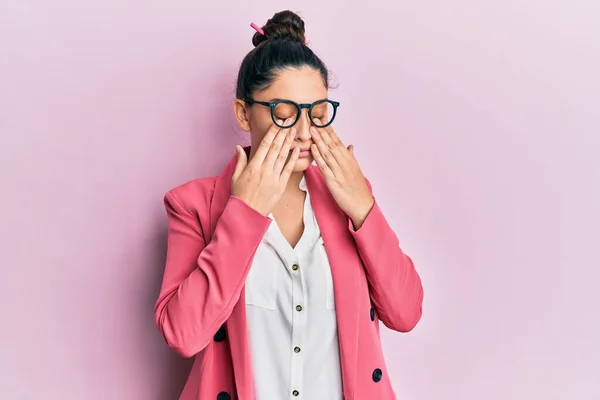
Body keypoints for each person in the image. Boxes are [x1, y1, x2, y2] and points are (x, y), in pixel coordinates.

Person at [154, 10, 424, 400]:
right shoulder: (193, 205)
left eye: (316, 115)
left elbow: (406, 312)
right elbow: (183, 334)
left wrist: (364, 209)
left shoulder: (347, 197)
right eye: (284, 114)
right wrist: (243, 214)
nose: (303, 132)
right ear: (243, 114)